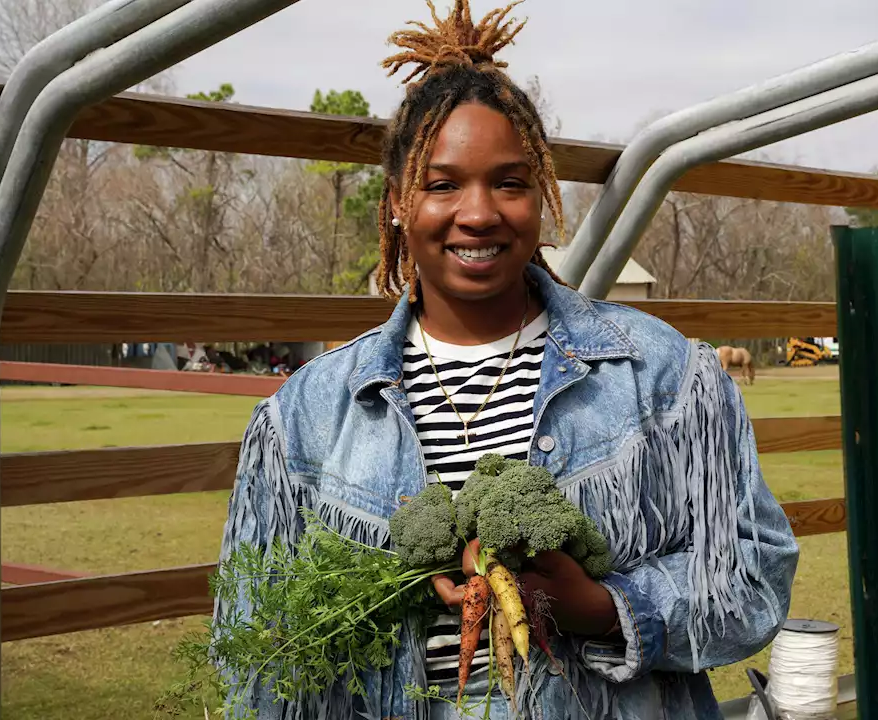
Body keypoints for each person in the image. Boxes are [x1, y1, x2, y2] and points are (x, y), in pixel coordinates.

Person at [214, 2, 799, 718]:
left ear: (542, 197)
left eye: (511, 182)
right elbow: (256, 646)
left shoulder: (663, 376)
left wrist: (604, 607)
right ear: (399, 200)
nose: (480, 212)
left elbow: (754, 576)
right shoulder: (306, 418)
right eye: (442, 183)